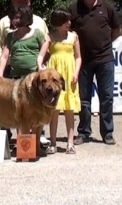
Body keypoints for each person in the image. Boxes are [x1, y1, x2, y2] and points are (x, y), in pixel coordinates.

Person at [0, 0, 50, 146]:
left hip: (34, 76)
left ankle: (36, 141)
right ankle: (21, 143)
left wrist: (40, 61)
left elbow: (46, 44)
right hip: (15, 75)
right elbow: (1, 51)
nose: (21, 4)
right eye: (18, 1)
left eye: (24, 1)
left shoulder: (39, 24)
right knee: (18, 108)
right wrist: (0, 73)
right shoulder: (5, 24)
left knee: (37, 106)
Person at [69, 0, 121, 145]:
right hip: (82, 61)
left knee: (106, 98)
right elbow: (68, 32)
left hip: (105, 59)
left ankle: (107, 133)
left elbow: (116, 30)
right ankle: (84, 132)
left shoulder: (107, 7)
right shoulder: (74, 8)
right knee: (83, 99)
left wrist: (105, 45)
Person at [38, 8, 82, 155]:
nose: (69, 23)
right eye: (65, 21)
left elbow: (78, 57)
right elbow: (41, 56)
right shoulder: (50, 36)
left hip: (69, 76)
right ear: (58, 22)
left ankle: (70, 143)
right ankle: (53, 143)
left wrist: (76, 73)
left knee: (69, 110)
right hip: (54, 74)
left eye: (69, 20)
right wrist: (40, 68)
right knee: (54, 110)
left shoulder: (73, 37)